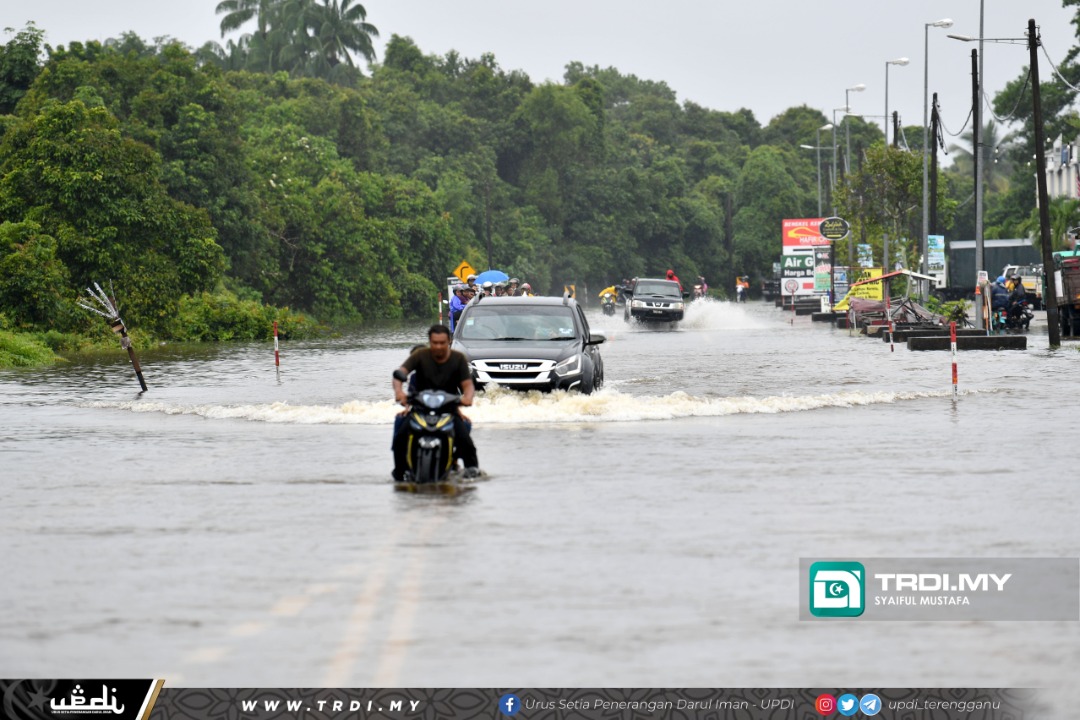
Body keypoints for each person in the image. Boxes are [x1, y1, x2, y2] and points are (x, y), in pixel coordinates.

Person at [391, 325, 478, 481]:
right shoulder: (420, 356)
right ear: (430, 342)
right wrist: (399, 392)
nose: (438, 346)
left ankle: (472, 471)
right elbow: (400, 373)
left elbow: (468, 385)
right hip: (420, 409)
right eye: (435, 343)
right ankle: (400, 471)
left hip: (448, 410)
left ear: (449, 342)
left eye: (442, 343)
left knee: (466, 441)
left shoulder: (458, 359)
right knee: (400, 439)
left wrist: (468, 397)